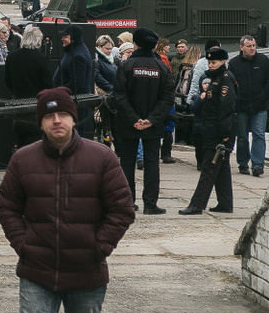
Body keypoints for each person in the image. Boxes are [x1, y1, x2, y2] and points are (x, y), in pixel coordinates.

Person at [0, 87, 135, 313]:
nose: (56, 120)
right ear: (40, 123)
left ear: (74, 118)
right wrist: (24, 245)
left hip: (87, 274)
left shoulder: (101, 158)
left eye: (62, 114)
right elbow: (6, 207)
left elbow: (122, 210)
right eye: (49, 116)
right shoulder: (23, 159)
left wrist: (98, 248)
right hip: (37, 274)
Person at [111, 28, 174, 214]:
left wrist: (133, 118)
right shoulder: (162, 67)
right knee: (152, 162)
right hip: (153, 123)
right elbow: (167, 97)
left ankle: (127, 202)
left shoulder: (126, 66)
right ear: (155, 46)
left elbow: (119, 96)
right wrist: (151, 119)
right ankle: (150, 203)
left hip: (128, 122)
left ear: (135, 44)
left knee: (127, 162)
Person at [180, 48, 238, 215]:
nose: (210, 65)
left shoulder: (225, 80)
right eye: (209, 62)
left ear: (222, 62)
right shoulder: (215, 78)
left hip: (218, 131)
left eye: (214, 63)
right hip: (212, 128)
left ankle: (196, 205)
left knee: (209, 168)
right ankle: (225, 203)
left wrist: (225, 134)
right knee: (223, 168)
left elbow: (227, 109)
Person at [227, 34, 269, 177]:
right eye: (249, 46)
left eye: (254, 46)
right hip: (241, 105)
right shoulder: (234, 63)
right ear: (241, 47)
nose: (252, 48)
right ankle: (243, 163)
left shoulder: (264, 61)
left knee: (258, 134)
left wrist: (265, 96)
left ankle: (257, 165)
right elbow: (231, 85)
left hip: (260, 105)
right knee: (242, 136)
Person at [53, 25, 95, 138]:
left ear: (73, 38)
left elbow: (76, 85)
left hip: (75, 107)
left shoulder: (78, 56)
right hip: (72, 105)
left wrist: (57, 93)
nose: (62, 38)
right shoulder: (73, 51)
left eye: (65, 36)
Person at [4, 25, 53, 99]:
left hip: (17, 98)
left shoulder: (11, 56)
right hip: (36, 99)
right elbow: (47, 83)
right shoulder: (41, 58)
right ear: (38, 41)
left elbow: (7, 79)